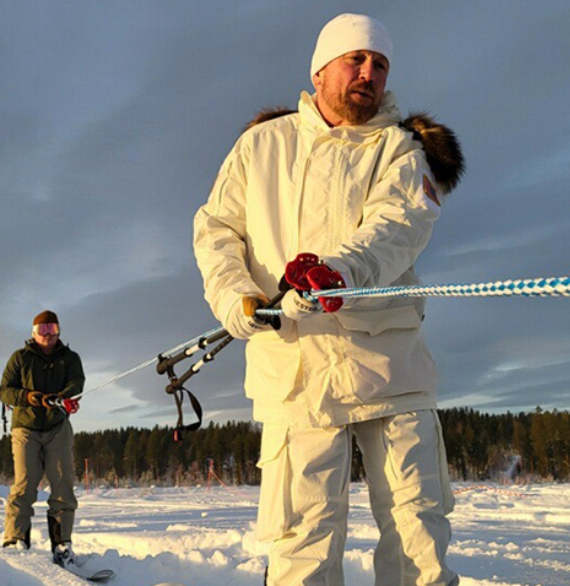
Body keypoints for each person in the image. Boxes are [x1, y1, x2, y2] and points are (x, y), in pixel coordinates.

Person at [193, 13, 464, 586]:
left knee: (421, 537)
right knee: (303, 544)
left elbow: (400, 224)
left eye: (381, 64)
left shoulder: (399, 150)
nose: (369, 73)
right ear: (320, 70)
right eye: (356, 59)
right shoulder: (261, 146)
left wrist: (338, 273)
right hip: (294, 372)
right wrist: (235, 296)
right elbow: (217, 229)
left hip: (391, 365)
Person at [0, 310, 85, 566]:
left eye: (52, 329)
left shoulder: (70, 358)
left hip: (57, 427)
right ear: (33, 333)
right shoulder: (19, 358)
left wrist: (62, 397)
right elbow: (5, 391)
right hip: (25, 428)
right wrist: (29, 397)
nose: (48, 335)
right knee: (24, 485)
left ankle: (61, 543)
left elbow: (76, 383)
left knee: (63, 485)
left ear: (59, 331)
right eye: (42, 330)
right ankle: (16, 540)